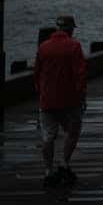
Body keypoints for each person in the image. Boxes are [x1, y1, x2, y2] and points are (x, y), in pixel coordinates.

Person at [34, 15, 87, 187]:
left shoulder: (43, 47)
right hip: (69, 100)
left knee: (48, 137)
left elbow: (37, 73)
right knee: (73, 131)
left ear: (57, 29)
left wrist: (41, 92)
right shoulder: (74, 46)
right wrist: (81, 97)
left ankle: (48, 171)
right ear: (70, 29)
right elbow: (80, 75)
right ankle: (64, 163)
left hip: (47, 100)